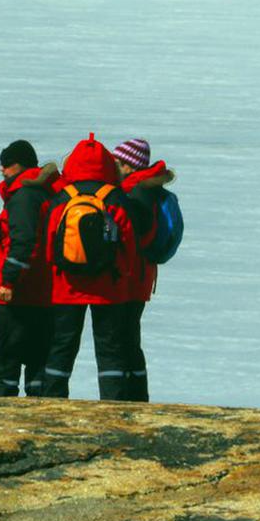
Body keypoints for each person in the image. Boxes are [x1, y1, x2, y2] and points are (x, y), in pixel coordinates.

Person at [41, 133, 138, 401]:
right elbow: (128, 243)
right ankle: (112, 403)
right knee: (110, 348)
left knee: (61, 345)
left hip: (67, 285)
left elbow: (49, 241)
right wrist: (123, 274)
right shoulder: (115, 197)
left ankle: (53, 401)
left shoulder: (62, 197)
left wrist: (56, 271)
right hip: (109, 285)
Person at [0, 140, 58, 398]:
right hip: (44, 293)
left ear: (21, 166)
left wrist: (8, 281)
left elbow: (23, 242)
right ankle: (38, 410)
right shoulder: (45, 193)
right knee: (38, 359)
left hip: (19, 295)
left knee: (5, 356)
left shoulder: (23, 196)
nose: (2, 170)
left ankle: (0, 410)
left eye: (7, 164)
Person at [112, 138, 177, 402]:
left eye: (118, 163)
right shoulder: (145, 189)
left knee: (123, 337)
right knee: (129, 337)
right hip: (141, 275)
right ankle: (137, 395)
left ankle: (129, 397)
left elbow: (132, 236)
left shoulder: (135, 193)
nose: (114, 167)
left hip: (132, 276)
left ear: (130, 166)